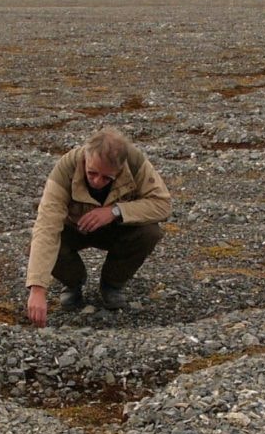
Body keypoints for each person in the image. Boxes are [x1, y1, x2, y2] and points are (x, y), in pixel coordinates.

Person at [25, 126, 171, 327]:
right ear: (85, 158)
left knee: (150, 232)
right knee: (38, 241)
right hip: (74, 229)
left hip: (117, 228)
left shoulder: (135, 163)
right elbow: (46, 225)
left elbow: (162, 204)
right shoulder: (66, 168)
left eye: (106, 178)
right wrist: (37, 289)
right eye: (92, 173)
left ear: (120, 169)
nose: (97, 181)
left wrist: (115, 211)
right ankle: (73, 282)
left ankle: (112, 284)